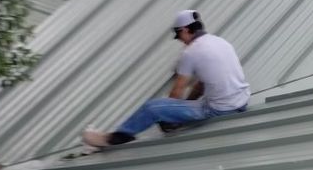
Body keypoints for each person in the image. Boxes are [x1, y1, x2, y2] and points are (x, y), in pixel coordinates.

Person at [82, 10, 250, 148]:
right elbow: (201, 85)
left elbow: (177, 91)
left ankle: (114, 139)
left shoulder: (191, 52)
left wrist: (169, 113)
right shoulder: (220, 41)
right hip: (241, 102)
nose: (181, 41)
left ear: (184, 30)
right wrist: (185, 105)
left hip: (220, 109)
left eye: (179, 36)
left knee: (152, 108)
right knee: (186, 102)